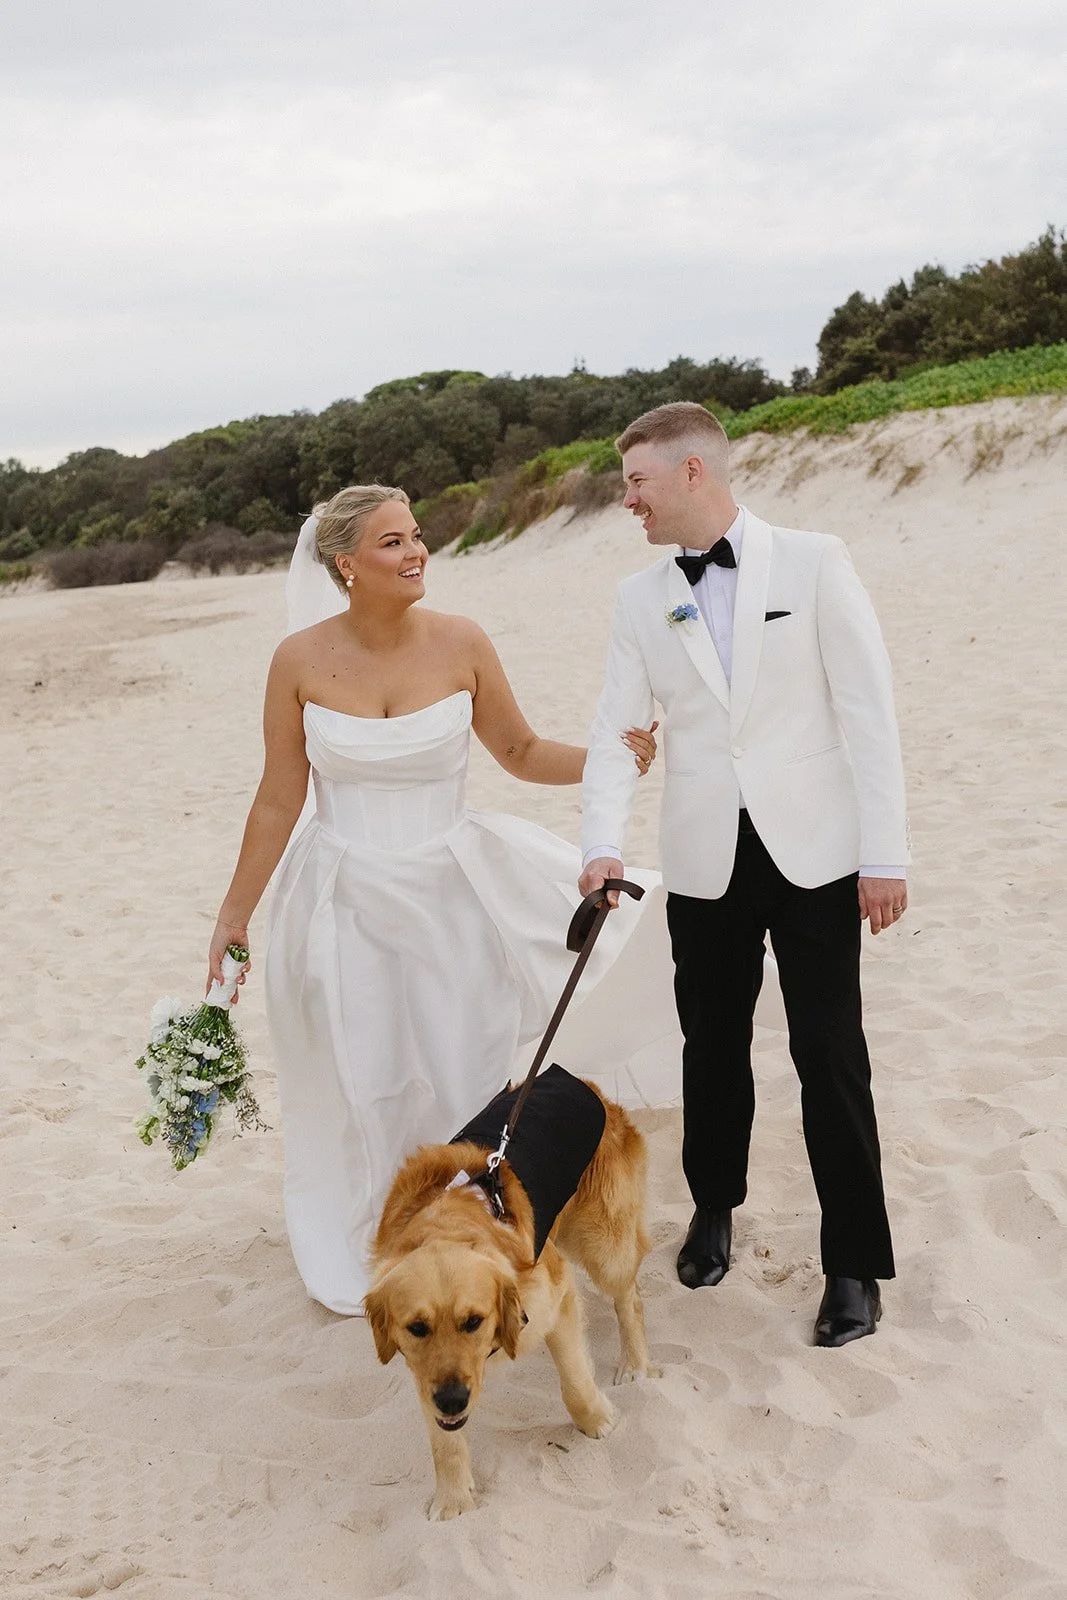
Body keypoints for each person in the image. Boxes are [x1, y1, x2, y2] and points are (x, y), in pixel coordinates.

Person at [207, 483, 669, 1316]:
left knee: (461, 1062)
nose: (416, 552)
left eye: (416, 536)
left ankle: (469, 1233)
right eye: (392, 542)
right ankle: (392, 1237)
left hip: (450, 890)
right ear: (345, 563)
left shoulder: (461, 641)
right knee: (367, 1069)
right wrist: (234, 915)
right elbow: (279, 798)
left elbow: (521, 751)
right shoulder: (298, 661)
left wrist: (610, 757)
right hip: (341, 897)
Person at [579, 402, 909, 1348]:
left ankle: (852, 1263)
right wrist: (601, 844)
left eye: (635, 481)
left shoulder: (813, 560)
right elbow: (615, 730)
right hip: (702, 857)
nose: (625, 499)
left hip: (815, 853)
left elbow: (869, 712)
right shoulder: (640, 598)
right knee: (711, 1050)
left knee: (829, 1056)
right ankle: (713, 1207)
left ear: (692, 473)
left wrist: (884, 856)